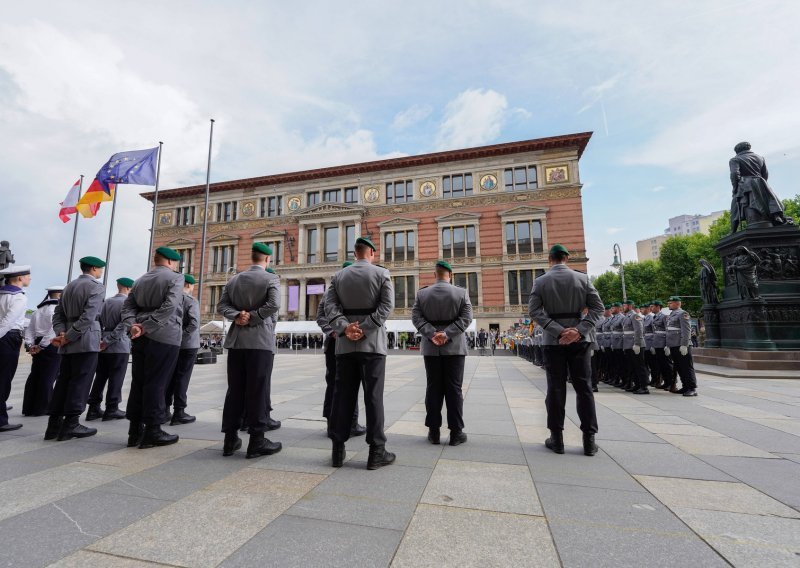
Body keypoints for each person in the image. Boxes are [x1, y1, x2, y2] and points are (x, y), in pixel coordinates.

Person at [324, 236, 395, 470]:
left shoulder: (338, 276)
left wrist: (345, 327)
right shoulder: (381, 274)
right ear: (371, 253)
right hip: (372, 345)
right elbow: (386, 308)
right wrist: (364, 328)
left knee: (342, 397)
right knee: (373, 398)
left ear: (355, 254)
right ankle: (376, 452)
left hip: (344, 346)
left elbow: (329, 307)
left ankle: (337, 450)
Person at [528, 244, 604, 456]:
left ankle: (557, 438)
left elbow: (533, 311)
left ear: (549, 259)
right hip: (580, 340)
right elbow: (598, 308)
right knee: (584, 388)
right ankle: (589, 440)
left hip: (554, 342)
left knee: (555, 388)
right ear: (567, 258)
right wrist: (579, 331)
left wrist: (559, 331)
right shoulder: (583, 279)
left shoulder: (540, 281)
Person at [218, 242, 282, 458]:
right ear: (267, 259)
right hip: (260, 342)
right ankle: (257, 440)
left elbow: (222, 306)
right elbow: (273, 305)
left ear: (252, 257)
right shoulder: (271, 278)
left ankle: (230, 439)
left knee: (234, 390)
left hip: (237, 342)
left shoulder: (234, 279)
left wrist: (237, 315)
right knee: (258, 390)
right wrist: (253, 317)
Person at [122, 247, 184, 449]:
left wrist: (134, 325)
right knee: (158, 382)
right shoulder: (175, 278)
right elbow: (170, 306)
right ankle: (153, 431)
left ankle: (134, 431)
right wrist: (147, 326)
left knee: (139, 381)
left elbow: (128, 307)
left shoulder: (140, 280)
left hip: (138, 335)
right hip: (164, 335)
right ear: (170, 262)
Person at [412, 260, 472, 446]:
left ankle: (434, 432)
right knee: (454, 389)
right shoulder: (461, 293)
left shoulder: (422, 293)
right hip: (454, 347)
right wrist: (447, 334)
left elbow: (416, 317)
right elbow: (467, 318)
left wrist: (432, 333)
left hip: (431, 348)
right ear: (450, 275)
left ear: (435, 274)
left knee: (433, 388)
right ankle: (456, 433)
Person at [48, 256, 106, 441]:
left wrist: (62, 334)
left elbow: (58, 316)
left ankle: (54, 425)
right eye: (100, 268)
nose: (101, 272)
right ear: (95, 269)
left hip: (67, 339)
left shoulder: (68, 287)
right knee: (81, 381)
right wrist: (70, 337)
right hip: (86, 338)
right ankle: (72, 423)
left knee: (63, 381)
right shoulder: (96, 287)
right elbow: (89, 317)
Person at [316, 261, 366, 436]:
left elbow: (320, 317)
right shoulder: (341, 291)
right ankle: (345, 423)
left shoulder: (334, 291)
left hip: (339, 341)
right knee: (345, 383)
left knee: (336, 383)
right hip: (341, 343)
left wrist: (333, 331)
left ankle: (338, 423)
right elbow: (321, 316)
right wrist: (334, 332)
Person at [86, 277, 133, 421]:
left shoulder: (107, 302)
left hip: (103, 343)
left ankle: (93, 408)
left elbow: (97, 320)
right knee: (116, 378)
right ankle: (112, 408)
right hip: (118, 344)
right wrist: (108, 341)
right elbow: (124, 325)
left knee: (100, 377)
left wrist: (102, 340)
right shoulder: (127, 303)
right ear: (128, 289)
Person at [165, 274, 200, 426]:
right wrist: (182, 336)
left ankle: (165, 409)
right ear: (189, 285)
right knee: (182, 378)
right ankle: (179, 411)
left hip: (171, 343)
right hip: (187, 345)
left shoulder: (171, 299)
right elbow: (194, 323)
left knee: (170, 377)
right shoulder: (190, 300)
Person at [22, 286, 63, 416]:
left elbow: (29, 330)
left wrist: (30, 345)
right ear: (60, 296)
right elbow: (53, 331)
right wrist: (42, 346)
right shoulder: (57, 310)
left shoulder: (38, 310)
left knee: (35, 375)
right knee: (48, 377)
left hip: (37, 343)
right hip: (50, 344)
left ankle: (29, 407)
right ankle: (43, 407)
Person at [0, 264, 31, 431]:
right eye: (27, 276)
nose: (29, 279)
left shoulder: (2, 294)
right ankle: (1, 421)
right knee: (4, 380)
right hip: (9, 337)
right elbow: (9, 322)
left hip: (5, 335)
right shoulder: (19, 297)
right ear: (20, 278)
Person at [665, 296, 698, 397]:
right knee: (679, 367)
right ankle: (685, 386)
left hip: (681, 345)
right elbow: (669, 331)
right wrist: (668, 345)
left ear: (677, 303)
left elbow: (686, 330)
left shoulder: (683, 313)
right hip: (674, 345)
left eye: (670, 303)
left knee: (687, 367)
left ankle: (692, 388)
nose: (668, 304)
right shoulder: (671, 314)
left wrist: (685, 344)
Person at [650, 300, 676, 392]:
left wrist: (667, 345)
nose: (651, 308)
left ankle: (672, 383)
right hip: (657, 343)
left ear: (658, 307)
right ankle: (666, 382)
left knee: (667, 365)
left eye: (652, 306)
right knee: (661, 364)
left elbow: (667, 330)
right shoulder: (655, 317)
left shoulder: (664, 316)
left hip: (663, 343)